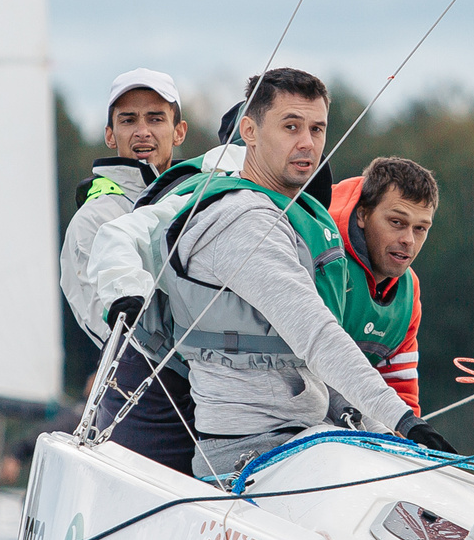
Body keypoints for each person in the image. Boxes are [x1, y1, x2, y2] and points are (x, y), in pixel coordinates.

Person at [115, 66, 452, 480]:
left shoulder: (293, 218)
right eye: (291, 126)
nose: (307, 143)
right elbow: (315, 334)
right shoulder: (240, 221)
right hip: (248, 457)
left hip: (306, 440)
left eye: (317, 129)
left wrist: (399, 441)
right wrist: (404, 422)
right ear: (250, 132)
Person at [58, 68, 201, 475]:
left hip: (211, 405)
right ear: (109, 135)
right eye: (128, 120)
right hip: (142, 409)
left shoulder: (201, 198)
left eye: (156, 118)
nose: (143, 131)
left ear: (179, 131)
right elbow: (112, 331)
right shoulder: (94, 219)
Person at [328, 155, 438, 417]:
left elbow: (400, 389)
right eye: (397, 222)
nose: (409, 240)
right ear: (363, 214)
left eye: (420, 228)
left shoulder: (409, 291)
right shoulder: (323, 260)